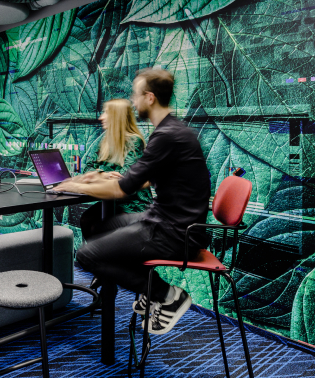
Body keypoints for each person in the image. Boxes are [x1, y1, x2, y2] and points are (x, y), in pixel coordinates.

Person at [53, 68, 211, 335]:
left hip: (174, 232)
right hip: (165, 220)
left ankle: (167, 295)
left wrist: (75, 184)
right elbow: (141, 180)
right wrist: (87, 180)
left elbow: (123, 188)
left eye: (135, 95)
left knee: (86, 254)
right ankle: (147, 289)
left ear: (149, 97)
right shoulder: (172, 131)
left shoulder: (166, 136)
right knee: (100, 225)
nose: (133, 102)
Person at [73, 99, 152, 241]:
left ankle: (105, 260)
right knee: (86, 220)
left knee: (100, 226)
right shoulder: (105, 140)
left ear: (117, 117)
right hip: (113, 202)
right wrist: (103, 174)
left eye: (106, 113)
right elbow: (88, 169)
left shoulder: (134, 141)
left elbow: (125, 177)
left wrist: (99, 174)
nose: (101, 117)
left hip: (132, 204)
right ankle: (96, 261)